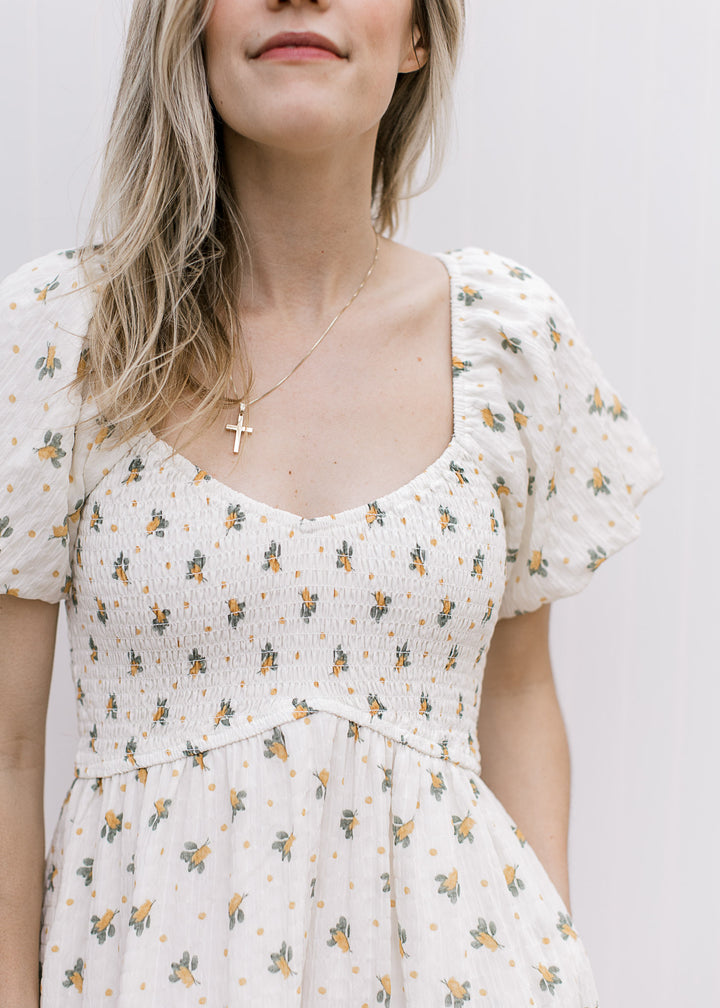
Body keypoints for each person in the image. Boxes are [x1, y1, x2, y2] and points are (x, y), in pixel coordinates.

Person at [0, 0, 662, 1004]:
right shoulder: (67, 339)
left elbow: (520, 696)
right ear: (187, 24)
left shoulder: (507, 342)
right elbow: (10, 749)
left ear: (417, 36)